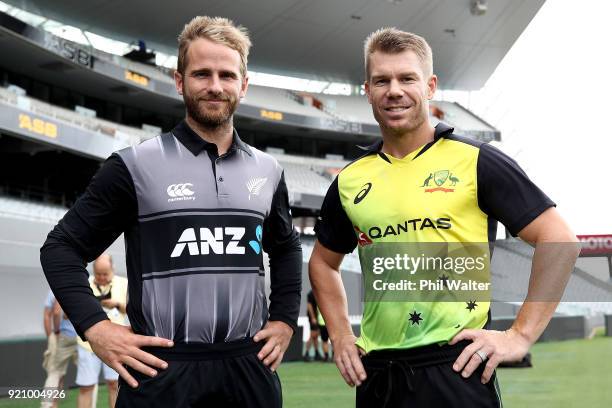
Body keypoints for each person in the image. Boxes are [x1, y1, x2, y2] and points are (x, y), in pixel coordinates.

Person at [308, 27, 580, 408]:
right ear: (367, 90)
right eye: (381, 80)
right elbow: (323, 262)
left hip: (456, 370)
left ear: (430, 86)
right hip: (378, 378)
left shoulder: (476, 161)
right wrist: (338, 335)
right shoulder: (351, 180)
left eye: (407, 78)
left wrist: (519, 336)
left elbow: (560, 240)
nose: (394, 90)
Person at [40, 16, 302, 408]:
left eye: (227, 75)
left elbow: (286, 248)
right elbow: (60, 248)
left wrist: (283, 320)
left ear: (243, 85)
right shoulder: (134, 165)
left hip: (249, 368)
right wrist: (95, 328)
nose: (215, 86)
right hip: (162, 370)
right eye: (201, 74)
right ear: (180, 81)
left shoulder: (268, 171)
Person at [75, 254, 127, 408]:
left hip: (115, 344)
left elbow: (133, 309)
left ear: (113, 269)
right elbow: (71, 312)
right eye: (98, 274)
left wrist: (116, 304)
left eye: (105, 274)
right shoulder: (84, 283)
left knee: (114, 385)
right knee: (86, 387)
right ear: (93, 270)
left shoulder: (124, 283)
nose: (102, 277)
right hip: (87, 344)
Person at [41, 291, 78, 408]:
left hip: (63, 337)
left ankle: (48, 405)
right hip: (82, 338)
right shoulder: (82, 286)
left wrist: (54, 334)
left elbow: (53, 313)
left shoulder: (54, 290)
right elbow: (55, 313)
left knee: (55, 373)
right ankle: (52, 405)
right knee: (89, 377)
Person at [303, 290, 323, 361]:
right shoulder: (311, 294)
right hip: (313, 317)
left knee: (316, 335)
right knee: (313, 335)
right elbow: (309, 306)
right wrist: (313, 317)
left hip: (317, 317)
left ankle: (316, 353)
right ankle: (306, 353)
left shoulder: (318, 292)